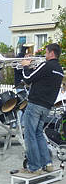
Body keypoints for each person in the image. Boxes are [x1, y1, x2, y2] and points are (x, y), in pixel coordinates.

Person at [21, 43, 63, 174]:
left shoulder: (47, 65)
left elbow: (27, 79)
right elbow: (41, 79)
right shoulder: (60, 69)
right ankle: (47, 163)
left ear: (51, 53)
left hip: (35, 104)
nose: (44, 55)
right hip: (47, 106)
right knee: (39, 134)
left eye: (46, 52)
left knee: (29, 135)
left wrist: (25, 66)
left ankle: (34, 167)